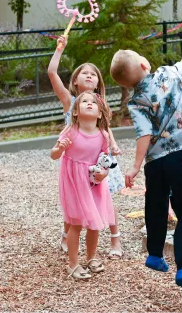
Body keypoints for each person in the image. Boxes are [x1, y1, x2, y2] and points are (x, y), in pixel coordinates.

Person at [110, 44, 182, 296]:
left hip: (155, 163)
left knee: (155, 204)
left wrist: (136, 165)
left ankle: (154, 254)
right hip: (179, 155)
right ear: (144, 64)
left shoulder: (135, 101)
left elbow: (144, 134)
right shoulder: (167, 74)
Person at [48, 36, 124, 259]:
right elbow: (52, 73)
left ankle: (115, 238)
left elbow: (105, 128)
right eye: (85, 73)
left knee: (105, 200)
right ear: (75, 81)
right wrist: (59, 50)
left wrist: (114, 143)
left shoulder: (99, 102)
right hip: (76, 159)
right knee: (75, 200)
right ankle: (67, 234)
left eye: (94, 73)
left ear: (98, 82)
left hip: (99, 159)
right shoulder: (69, 100)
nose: (90, 75)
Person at [50, 91, 115, 279]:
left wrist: (104, 173)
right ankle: (72, 263)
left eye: (93, 102)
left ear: (100, 113)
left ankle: (91, 257)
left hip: (93, 182)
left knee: (94, 223)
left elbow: (105, 160)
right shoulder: (71, 131)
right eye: (84, 102)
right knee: (76, 223)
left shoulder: (103, 135)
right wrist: (60, 148)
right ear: (75, 112)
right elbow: (54, 155)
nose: (88, 104)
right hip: (73, 182)